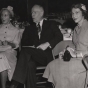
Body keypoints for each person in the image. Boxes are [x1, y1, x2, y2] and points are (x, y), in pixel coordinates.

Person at [10, 4, 63, 88]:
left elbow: (59, 36)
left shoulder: (51, 24)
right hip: (33, 55)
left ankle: (15, 83)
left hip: (46, 55)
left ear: (41, 13)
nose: (32, 15)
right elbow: (24, 44)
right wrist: (34, 45)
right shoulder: (28, 28)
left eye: (35, 12)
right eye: (31, 13)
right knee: (29, 64)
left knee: (24, 52)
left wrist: (47, 44)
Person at [43, 3, 88, 88]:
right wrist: (65, 51)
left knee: (62, 69)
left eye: (77, 12)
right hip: (76, 58)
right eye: (72, 13)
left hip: (85, 60)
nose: (74, 15)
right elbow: (75, 45)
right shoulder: (76, 29)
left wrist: (77, 54)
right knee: (52, 64)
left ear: (83, 13)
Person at [0, 6, 20, 88]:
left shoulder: (15, 30)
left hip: (10, 51)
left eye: (5, 15)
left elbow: (16, 44)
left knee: (1, 57)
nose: (3, 17)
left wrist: (9, 43)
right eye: (2, 15)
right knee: (1, 57)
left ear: (10, 18)